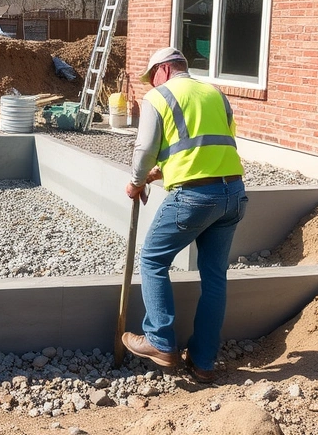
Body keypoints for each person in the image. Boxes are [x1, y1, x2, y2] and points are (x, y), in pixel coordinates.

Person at [121, 46, 248, 384]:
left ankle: (160, 341)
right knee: (214, 277)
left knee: (151, 259)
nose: (151, 85)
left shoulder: (160, 97)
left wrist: (136, 182)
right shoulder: (215, 94)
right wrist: (160, 173)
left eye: (152, 78)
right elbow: (209, 149)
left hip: (194, 198)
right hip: (233, 193)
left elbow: (145, 147)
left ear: (163, 70)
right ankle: (204, 361)